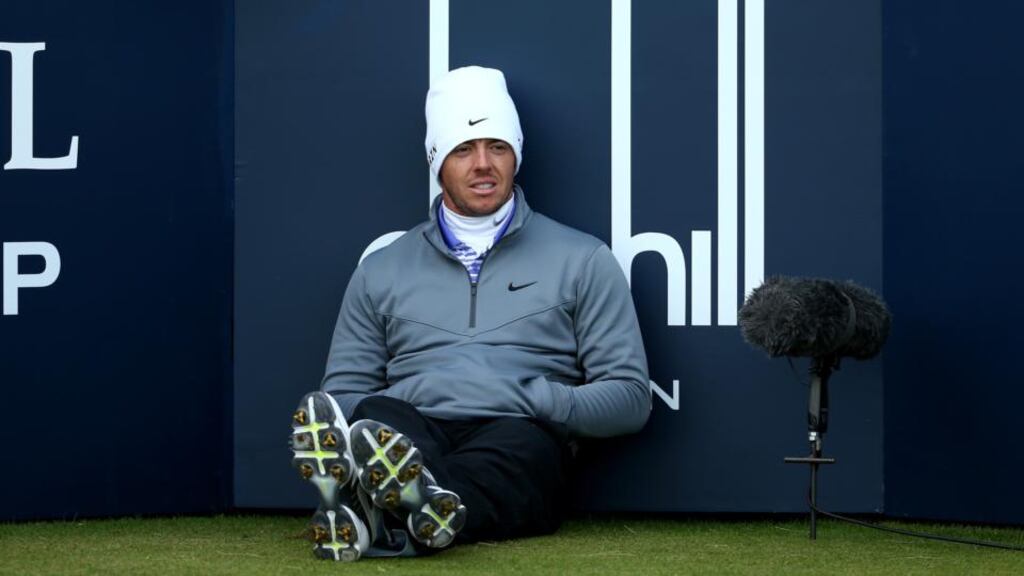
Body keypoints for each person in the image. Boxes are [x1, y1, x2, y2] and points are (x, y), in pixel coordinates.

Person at [289, 66, 650, 562]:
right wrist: (416, 396)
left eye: (497, 147)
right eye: (464, 149)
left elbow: (630, 399)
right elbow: (342, 399)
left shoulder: (583, 259)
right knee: (378, 419)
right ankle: (410, 507)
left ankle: (376, 509)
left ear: (516, 155)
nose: (483, 164)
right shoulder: (381, 270)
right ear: (437, 161)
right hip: (410, 428)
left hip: (519, 431)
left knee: (522, 452)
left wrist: (530, 397)